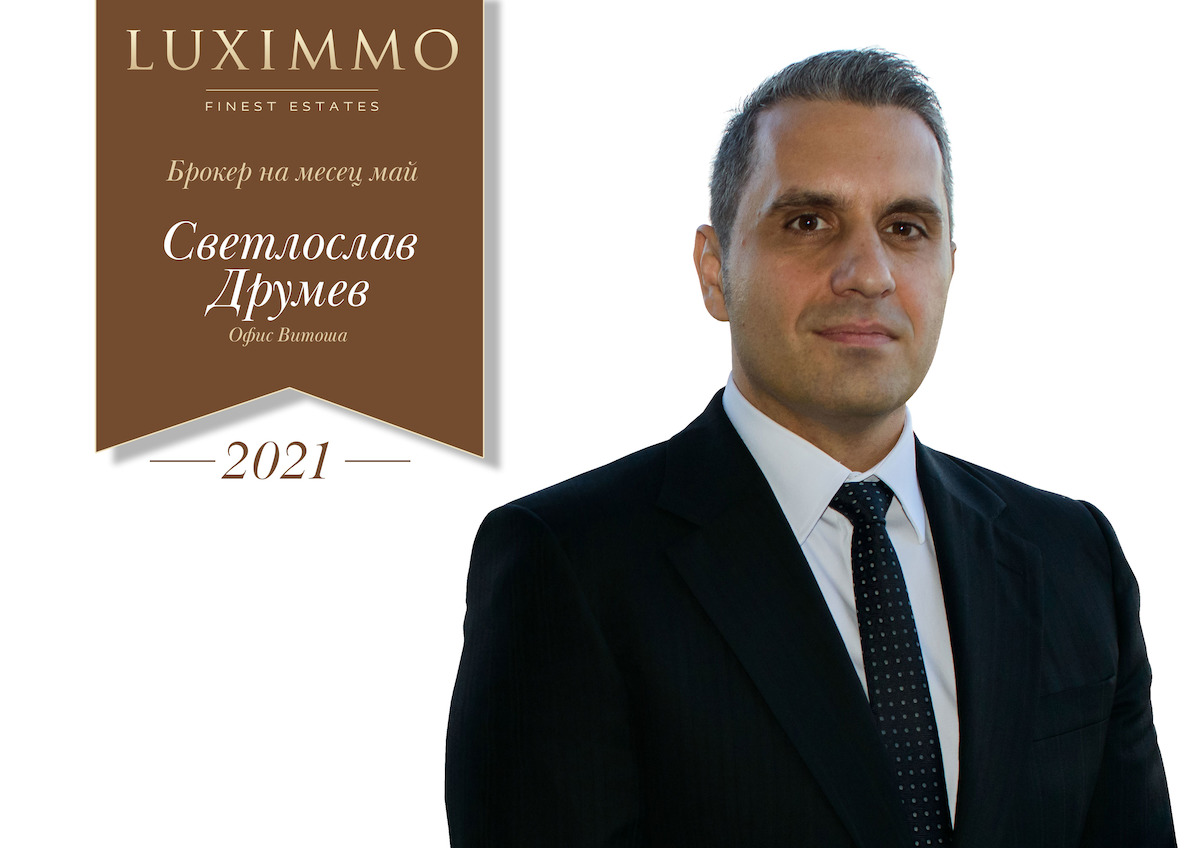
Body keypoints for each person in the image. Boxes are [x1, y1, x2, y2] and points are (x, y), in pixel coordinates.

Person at [445, 49, 1175, 847]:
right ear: (716, 270)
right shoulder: (569, 565)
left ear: (949, 268)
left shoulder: (1073, 559)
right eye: (808, 222)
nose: (868, 274)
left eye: (906, 228)